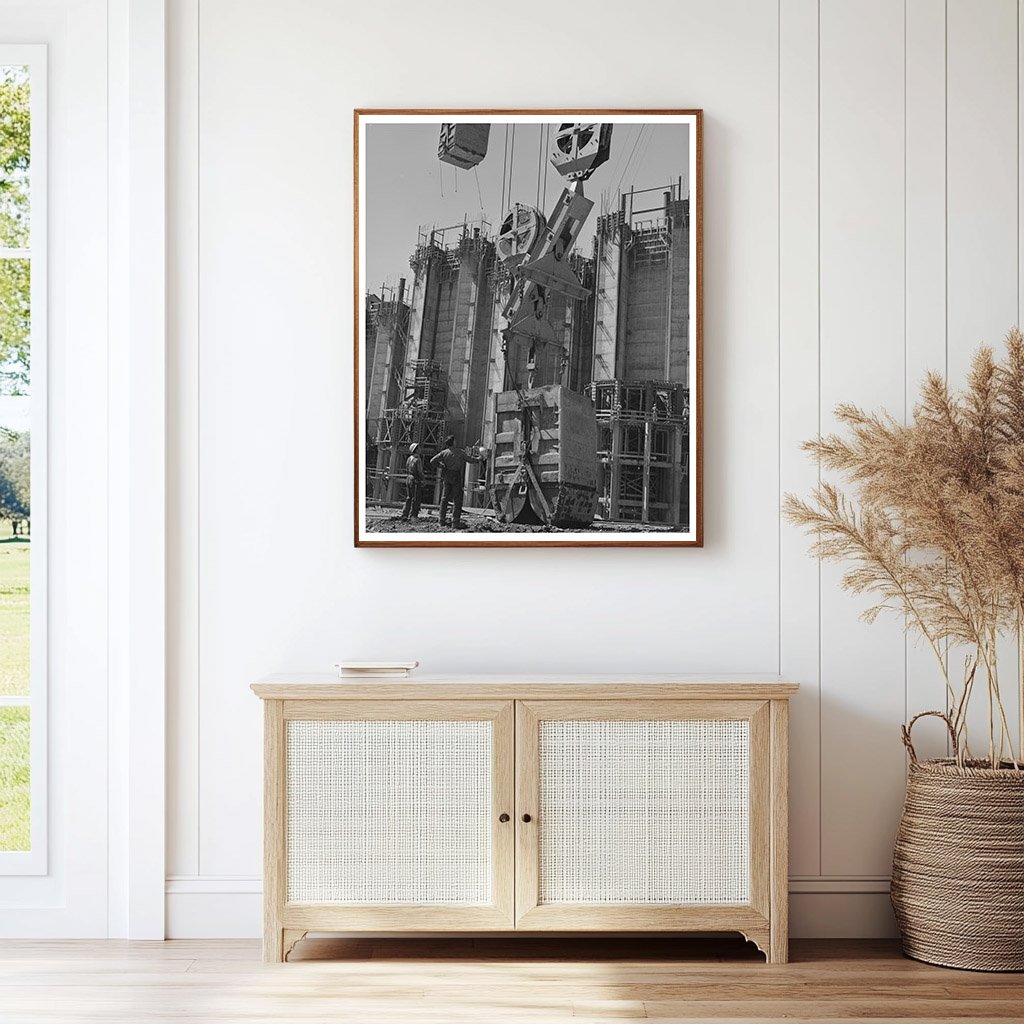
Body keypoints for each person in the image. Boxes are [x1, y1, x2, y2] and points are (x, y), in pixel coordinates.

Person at [430, 435, 482, 529]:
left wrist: (441, 466)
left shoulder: (444, 453)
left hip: (447, 475)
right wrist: (479, 459)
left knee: (444, 499)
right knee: (457, 500)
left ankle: (441, 520)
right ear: (453, 442)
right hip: (456, 476)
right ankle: (455, 522)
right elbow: (470, 460)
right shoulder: (460, 452)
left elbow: (432, 461)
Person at [399, 442, 425, 521]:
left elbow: (407, 468)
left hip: (408, 478)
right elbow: (419, 471)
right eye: (419, 448)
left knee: (409, 497)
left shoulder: (409, 458)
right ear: (416, 450)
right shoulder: (417, 459)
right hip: (415, 479)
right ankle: (413, 516)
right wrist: (423, 479)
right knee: (416, 498)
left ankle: (405, 514)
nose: (420, 449)